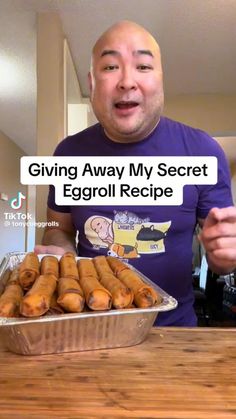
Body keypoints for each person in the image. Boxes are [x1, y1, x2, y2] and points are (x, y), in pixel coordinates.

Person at [35, 20, 236, 326]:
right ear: (91, 83)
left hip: (175, 335)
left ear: (161, 80)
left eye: (143, 66)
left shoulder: (203, 151)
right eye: (110, 66)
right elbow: (57, 228)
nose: (127, 81)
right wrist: (61, 252)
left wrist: (225, 257)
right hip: (90, 327)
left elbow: (224, 252)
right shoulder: (68, 154)